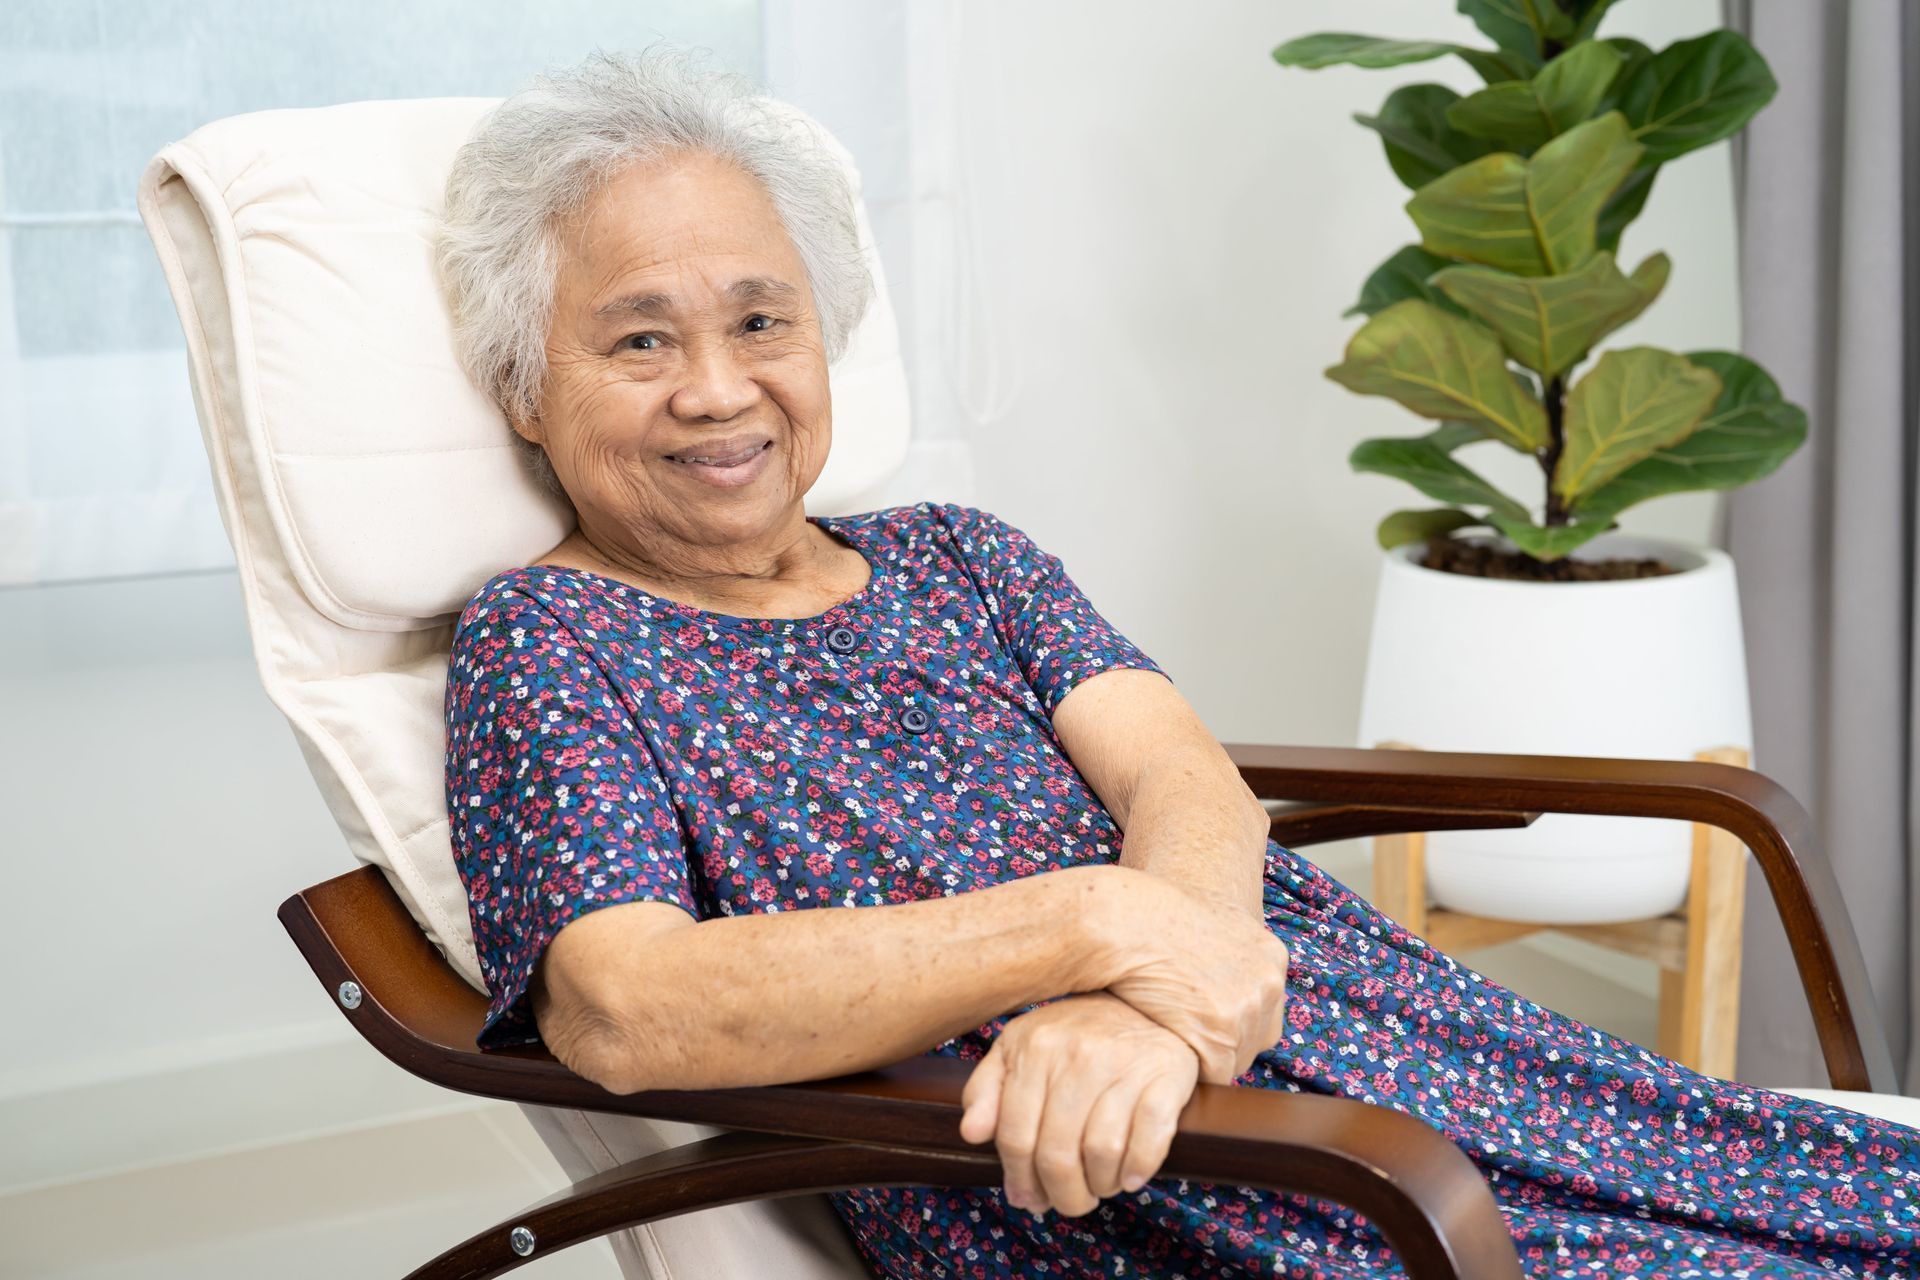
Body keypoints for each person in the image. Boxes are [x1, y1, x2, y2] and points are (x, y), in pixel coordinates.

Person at [435, 49, 1919, 1278]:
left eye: (764, 320)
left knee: (1847, 1201)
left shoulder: (960, 554)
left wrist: (1150, 988)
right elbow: (627, 1005)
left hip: (1350, 1023)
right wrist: (1092, 935)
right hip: (1132, 1169)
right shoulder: (552, 639)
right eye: (637, 342)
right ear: (523, 386)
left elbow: (1179, 772)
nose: (718, 388)